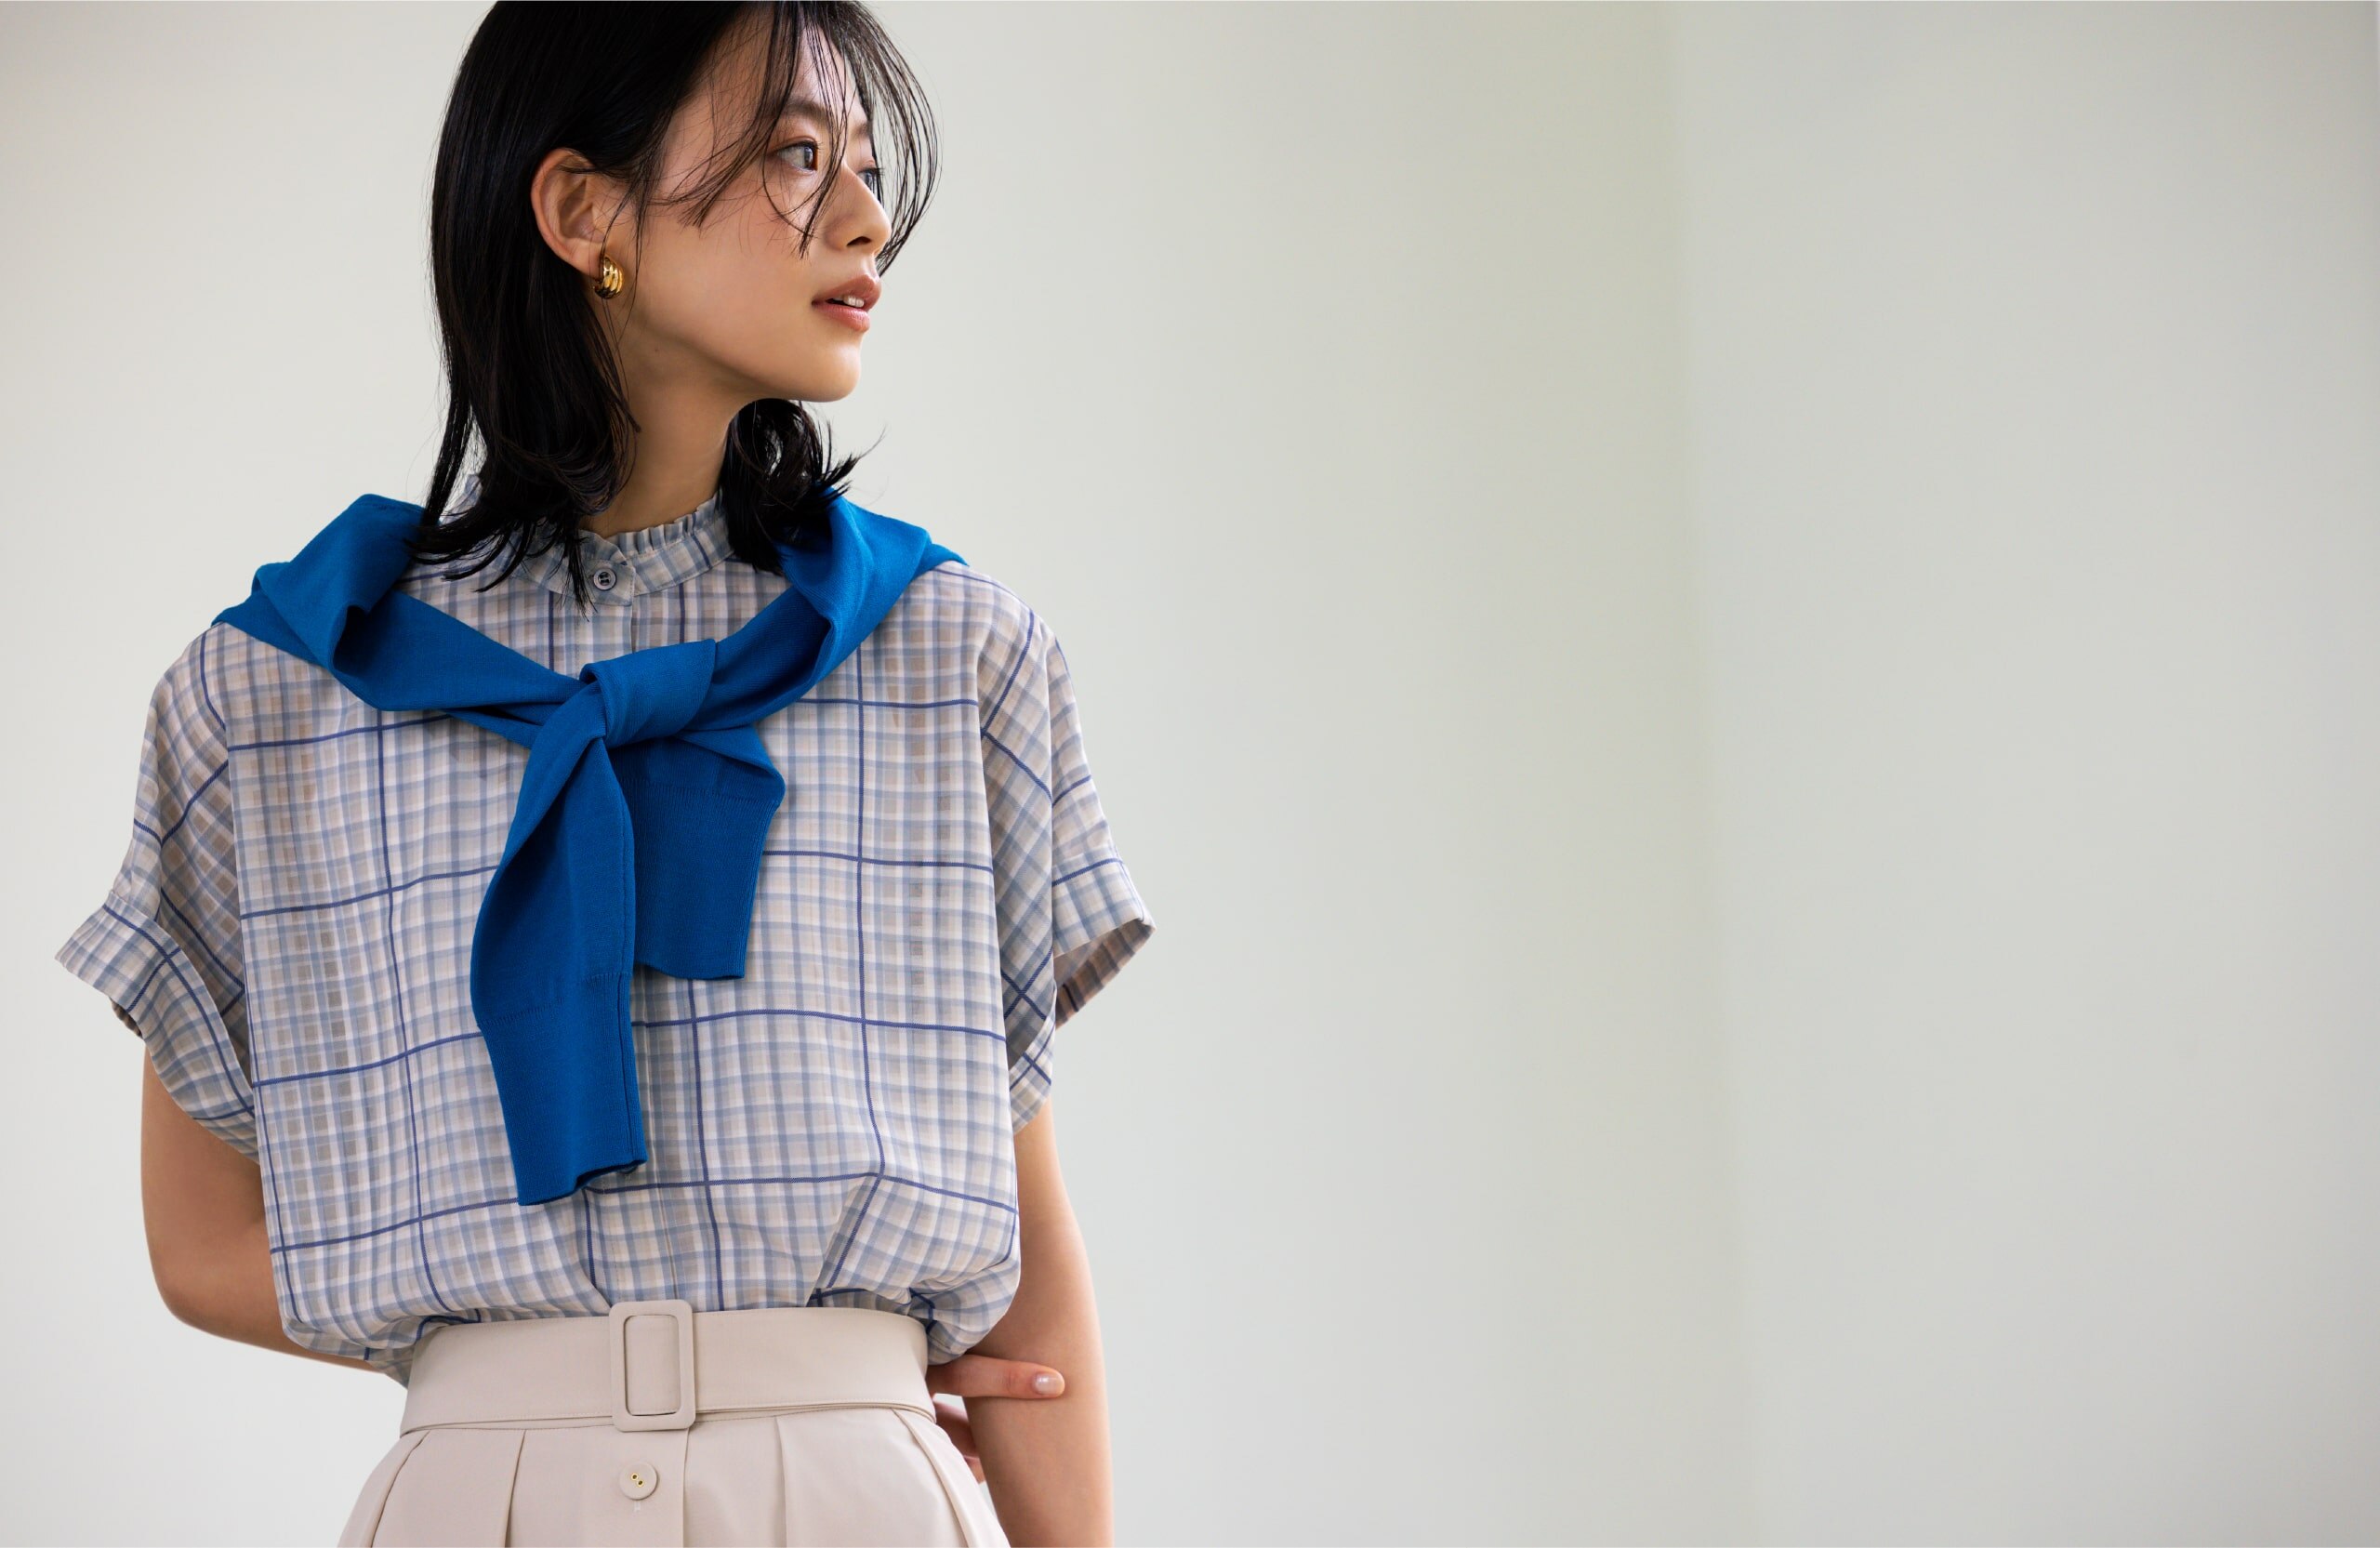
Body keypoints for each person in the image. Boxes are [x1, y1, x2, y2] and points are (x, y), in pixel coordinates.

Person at [52, 4, 1156, 1543]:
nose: (865, 216)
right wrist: (531, 1342)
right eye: (795, 155)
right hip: (483, 1500)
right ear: (584, 212)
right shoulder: (274, 693)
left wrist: (826, 1373)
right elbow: (203, 1243)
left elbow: (1026, 1250)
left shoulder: (947, 651)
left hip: (856, 1493)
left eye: (864, 164)